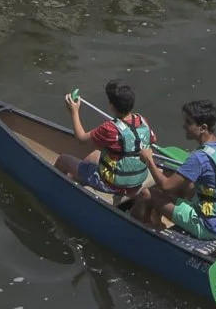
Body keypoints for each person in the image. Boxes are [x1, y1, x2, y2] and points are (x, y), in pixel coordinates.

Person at [143, 99, 216, 240]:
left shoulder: (199, 157)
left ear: (203, 127)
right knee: (187, 185)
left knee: (147, 194)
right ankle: (157, 219)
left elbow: (166, 186)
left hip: (209, 227)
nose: (184, 126)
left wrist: (149, 159)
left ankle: (146, 233)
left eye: (188, 123)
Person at [55, 80, 158, 216]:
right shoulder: (142, 121)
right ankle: (79, 180)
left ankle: (53, 191)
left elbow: (81, 138)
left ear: (111, 106)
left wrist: (74, 112)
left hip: (114, 185)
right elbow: (152, 139)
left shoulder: (109, 128)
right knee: (93, 156)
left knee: (64, 160)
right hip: (137, 181)